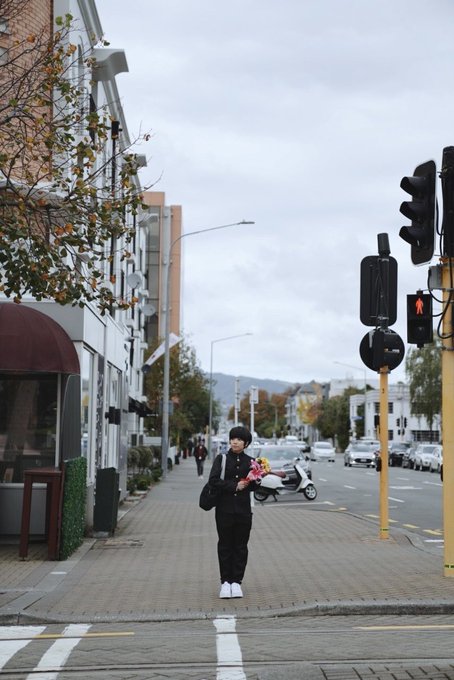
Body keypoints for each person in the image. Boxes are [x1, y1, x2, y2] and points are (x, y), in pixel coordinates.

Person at [208, 425, 260, 599]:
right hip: (224, 510)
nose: (235, 442)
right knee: (225, 545)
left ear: (246, 443)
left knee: (240, 546)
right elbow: (213, 481)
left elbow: (253, 487)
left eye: (239, 439)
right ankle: (225, 582)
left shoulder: (251, 462)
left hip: (243, 511)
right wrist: (234, 486)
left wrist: (258, 478)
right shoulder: (222, 459)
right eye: (232, 439)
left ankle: (237, 582)